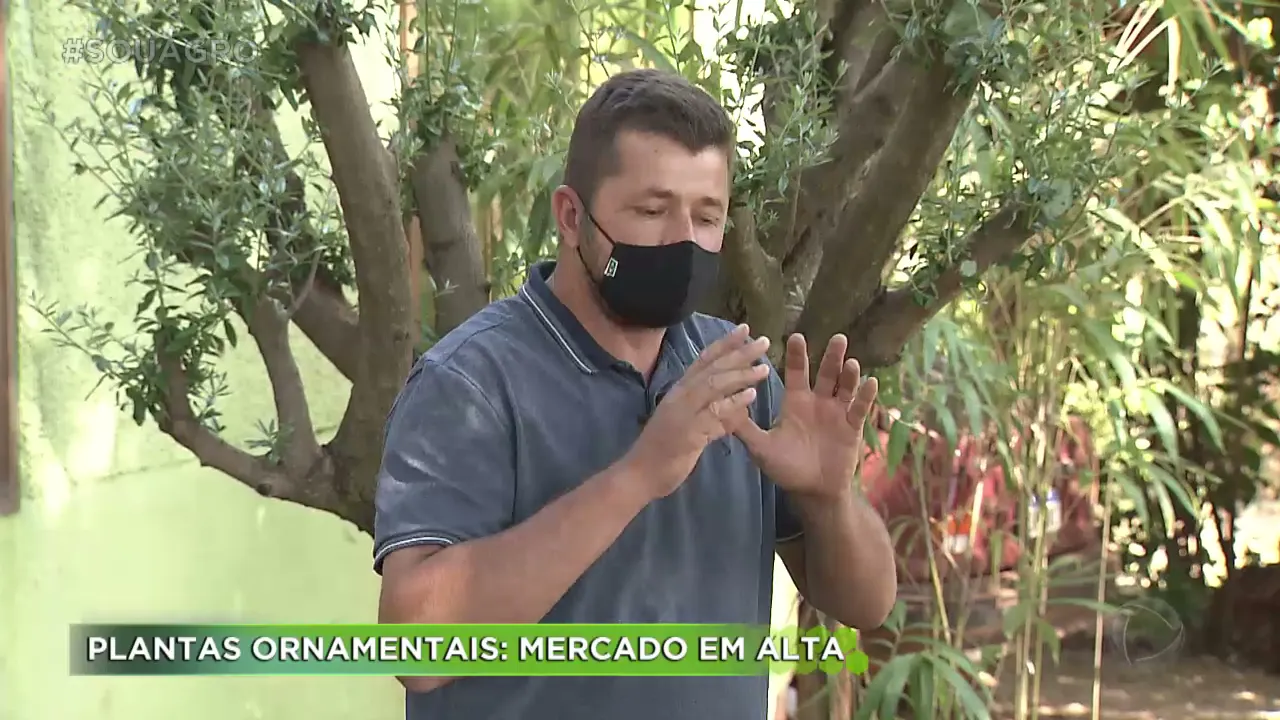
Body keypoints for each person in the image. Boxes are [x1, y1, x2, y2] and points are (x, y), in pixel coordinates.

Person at [373, 68, 898, 720]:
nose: (684, 240)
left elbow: (867, 604)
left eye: (706, 216)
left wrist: (829, 499)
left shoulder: (736, 372)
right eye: (652, 211)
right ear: (572, 217)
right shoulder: (470, 384)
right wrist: (639, 474)